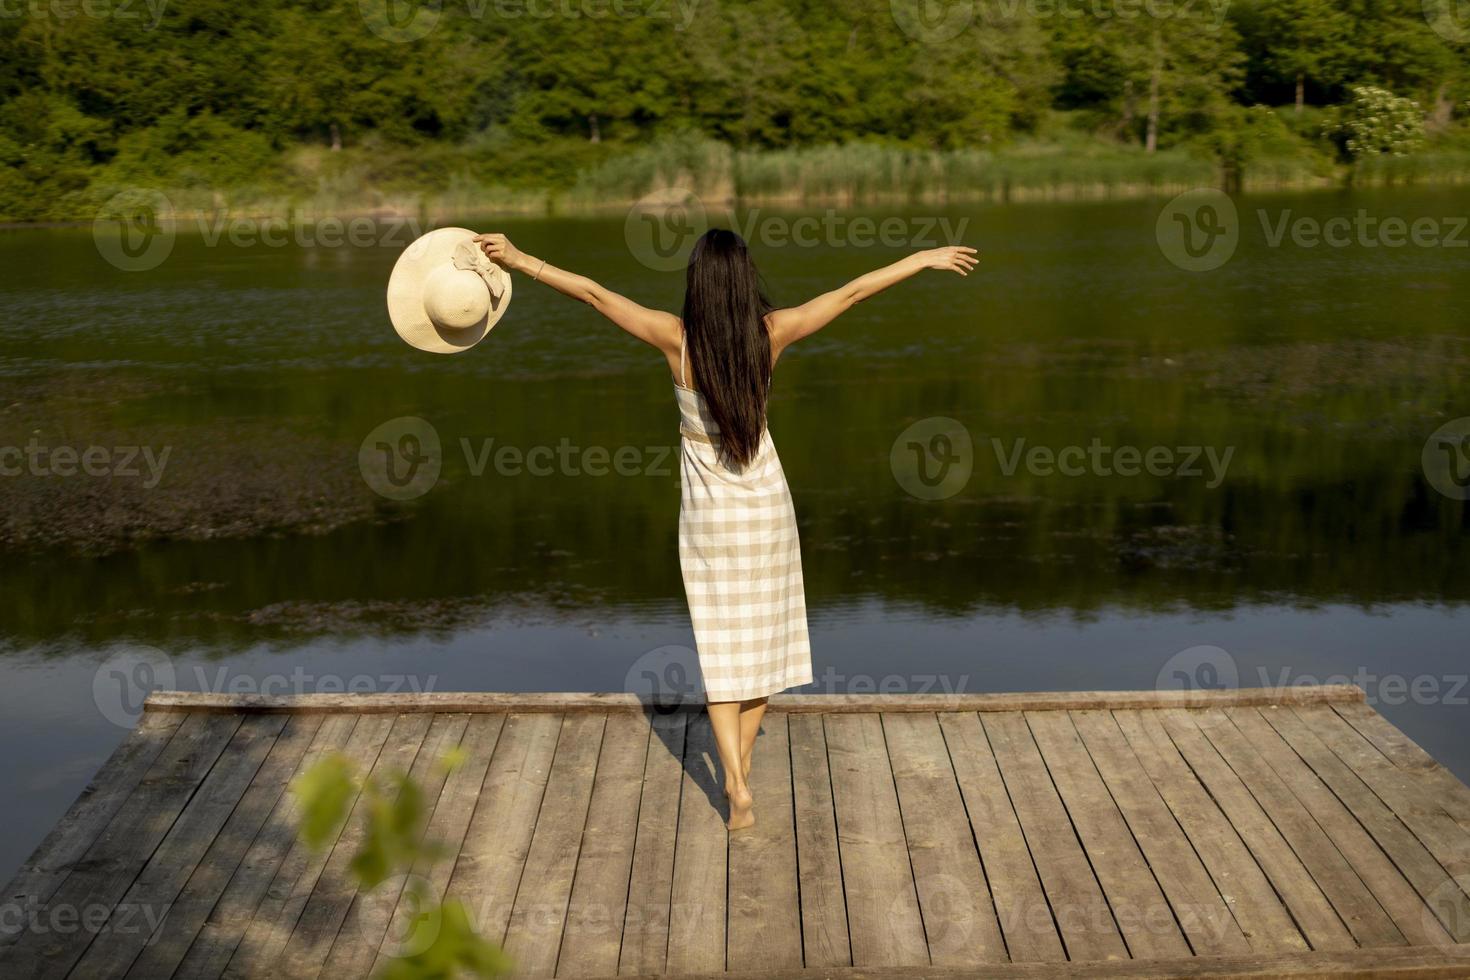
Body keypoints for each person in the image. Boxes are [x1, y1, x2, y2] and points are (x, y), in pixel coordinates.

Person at [475, 228, 978, 829]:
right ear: (745, 283)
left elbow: (592, 294)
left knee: (721, 647)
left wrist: (519, 258)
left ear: (698, 284)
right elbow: (851, 294)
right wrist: (921, 259)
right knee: (766, 642)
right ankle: (739, 765)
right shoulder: (773, 334)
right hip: (766, 507)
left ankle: (735, 784)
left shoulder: (675, 339)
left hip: (711, 516)